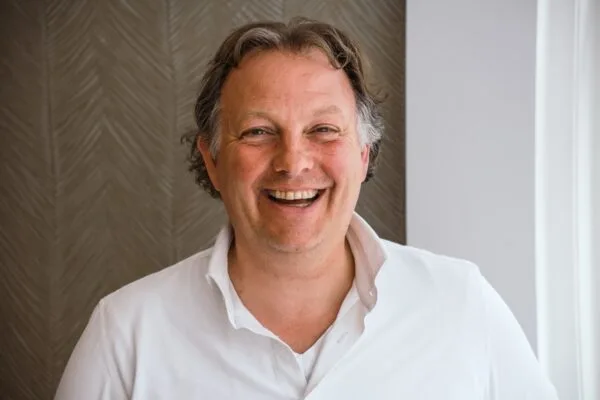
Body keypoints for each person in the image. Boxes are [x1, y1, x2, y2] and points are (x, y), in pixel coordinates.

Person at [55, 18, 558, 399]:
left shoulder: (462, 304)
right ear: (212, 160)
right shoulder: (125, 333)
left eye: (323, 130)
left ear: (363, 155)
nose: (293, 162)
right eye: (258, 131)